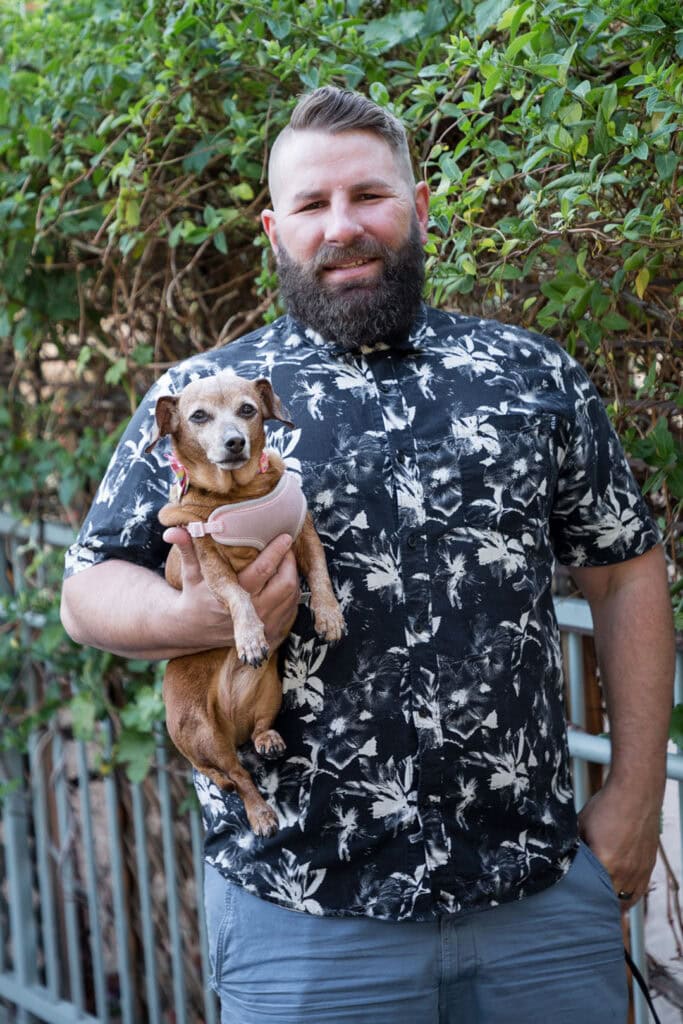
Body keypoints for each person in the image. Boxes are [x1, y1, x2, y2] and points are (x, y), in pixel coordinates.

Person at [61, 87, 675, 1024]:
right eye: (311, 205)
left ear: (418, 206)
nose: (342, 227)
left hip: (537, 901)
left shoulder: (532, 376)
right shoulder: (202, 395)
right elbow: (89, 585)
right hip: (303, 919)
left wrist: (633, 794)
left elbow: (625, 570)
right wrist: (182, 618)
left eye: (369, 196)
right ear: (275, 229)